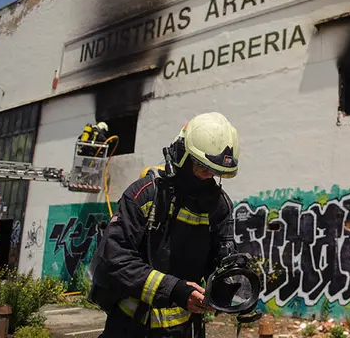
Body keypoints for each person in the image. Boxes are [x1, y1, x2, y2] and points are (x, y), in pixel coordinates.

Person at [90, 112, 239, 337]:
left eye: (216, 173)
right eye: (203, 168)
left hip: (183, 330)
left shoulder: (218, 207)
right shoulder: (145, 195)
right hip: (129, 328)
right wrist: (174, 289)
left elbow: (220, 262)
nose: (208, 178)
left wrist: (233, 286)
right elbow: (114, 259)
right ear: (182, 157)